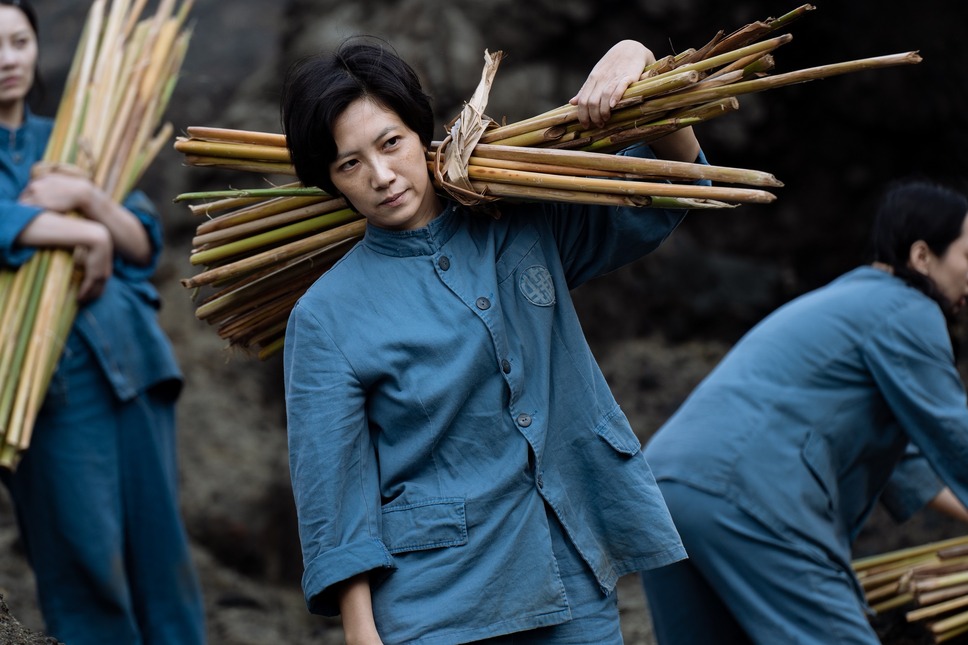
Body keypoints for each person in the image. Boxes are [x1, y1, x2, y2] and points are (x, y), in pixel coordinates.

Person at [280, 35, 708, 644]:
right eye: (350, 164)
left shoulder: (521, 221)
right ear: (331, 182)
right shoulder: (325, 317)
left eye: (390, 143)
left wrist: (636, 58)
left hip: (574, 570)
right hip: (438, 606)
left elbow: (671, 187)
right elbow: (334, 497)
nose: (380, 176)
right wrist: (361, 634)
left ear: (421, 132)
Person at [640, 179, 968, 644]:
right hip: (748, 492)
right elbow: (955, 435)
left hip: (667, 493)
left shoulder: (846, 303)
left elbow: (913, 461)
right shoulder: (909, 309)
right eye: (967, 257)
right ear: (921, 256)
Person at [0, 2, 206, 643]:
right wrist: (84, 233)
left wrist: (89, 200)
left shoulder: (74, 136)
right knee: (84, 559)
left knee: (160, 551)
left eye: (18, 41)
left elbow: (142, 243)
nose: (7, 59)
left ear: (36, 47)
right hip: (41, 386)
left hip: (131, 361)